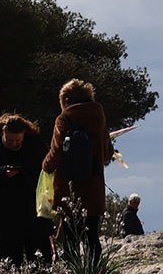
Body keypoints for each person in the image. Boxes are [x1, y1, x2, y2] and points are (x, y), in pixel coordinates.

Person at [42, 79, 114, 259]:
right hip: (94, 186)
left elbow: (56, 153)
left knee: (71, 238)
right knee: (92, 237)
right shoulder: (99, 118)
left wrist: (45, 165)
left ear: (65, 99)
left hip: (68, 188)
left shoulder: (63, 119)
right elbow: (107, 154)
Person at [0, 113, 47, 265]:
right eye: (9, 140)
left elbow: (48, 166)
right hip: (5, 213)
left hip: (34, 209)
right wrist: (2, 173)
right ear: (2, 133)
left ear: (24, 134)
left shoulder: (35, 143)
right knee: (9, 263)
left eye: (18, 141)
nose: (13, 144)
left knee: (41, 260)